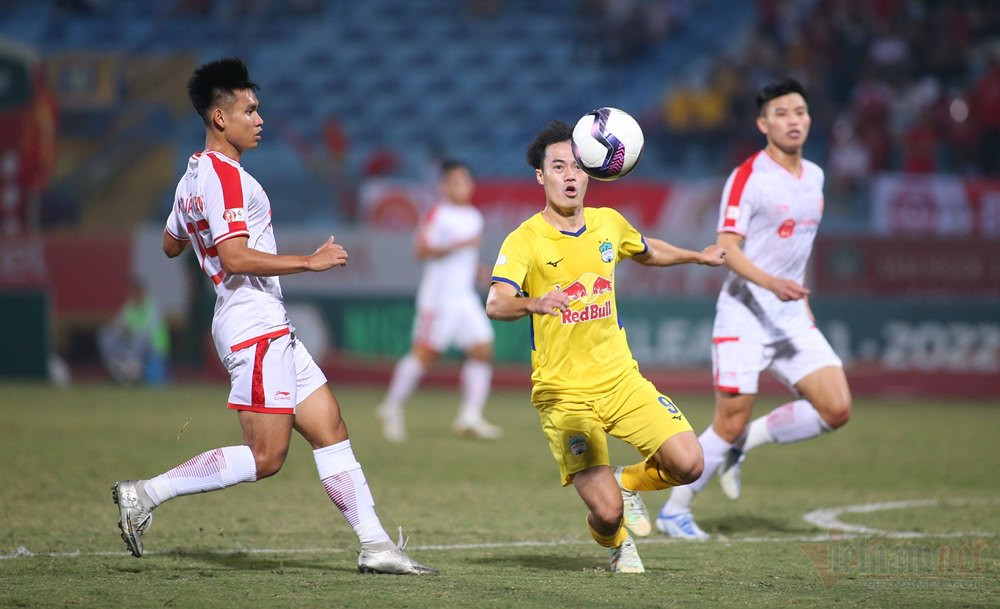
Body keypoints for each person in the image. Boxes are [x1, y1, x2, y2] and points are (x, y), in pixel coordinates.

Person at [111, 58, 435, 575]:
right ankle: (144, 494)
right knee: (266, 457)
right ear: (220, 117)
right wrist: (309, 261)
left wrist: (203, 238)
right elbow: (235, 255)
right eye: (249, 109)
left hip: (263, 322)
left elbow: (173, 244)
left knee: (330, 427)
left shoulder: (192, 176)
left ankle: (375, 546)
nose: (259, 119)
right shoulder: (225, 180)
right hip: (251, 323)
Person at [486, 121, 726, 573]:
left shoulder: (608, 223)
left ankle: (627, 479)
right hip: (565, 395)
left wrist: (698, 255)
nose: (570, 175)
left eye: (577, 166)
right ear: (542, 176)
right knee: (607, 511)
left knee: (690, 464)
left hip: (620, 381)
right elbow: (496, 302)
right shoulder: (525, 240)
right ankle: (618, 545)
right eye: (558, 166)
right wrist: (535, 302)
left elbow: (646, 250)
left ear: (592, 170)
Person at [656, 78, 852, 540]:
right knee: (728, 420)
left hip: (790, 317)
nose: (793, 120)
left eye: (800, 112)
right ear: (763, 124)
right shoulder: (748, 177)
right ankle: (675, 510)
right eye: (781, 113)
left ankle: (747, 443)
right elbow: (727, 247)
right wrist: (771, 284)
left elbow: (797, 250)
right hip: (744, 315)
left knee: (836, 408)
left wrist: (797, 298)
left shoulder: (817, 177)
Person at [376, 160, 501, 443]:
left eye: (467, 181)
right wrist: (458, 246)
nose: (463, 187)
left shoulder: (474, 216)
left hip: (464, 296)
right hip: (439, 299)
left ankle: (470, 416)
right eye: (456, 182)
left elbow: (466, 257)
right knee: (425, 355)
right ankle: (391, 406)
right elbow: (420, 249)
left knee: (482, 348)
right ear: (445, 186)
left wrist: (480, 270)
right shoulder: (439, 213)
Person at [97, 278, 170, 385]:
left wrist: (130, 329)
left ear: (142, 293)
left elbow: (150, 329)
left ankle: (131, 369)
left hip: (154, 347)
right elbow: (116, 324)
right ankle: (116, 367)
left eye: (137, 293)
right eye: (133, 293)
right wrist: (119, 330)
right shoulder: (129, 306)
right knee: (105, 335)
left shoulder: (152, 306)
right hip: (130, 343)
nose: (135, 296)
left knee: (140, 337)